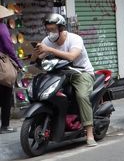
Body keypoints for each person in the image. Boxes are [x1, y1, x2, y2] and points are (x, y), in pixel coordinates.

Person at [34, 13, 97, 146]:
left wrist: (49, 49)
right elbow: (39, 58)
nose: (50, 33)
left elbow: (72, 57)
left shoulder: (75, 39)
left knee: (81, 96)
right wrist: (37, 53)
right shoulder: (47, 41)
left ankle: (89, 133)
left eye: (53, 30)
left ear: (61, 29)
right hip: (59, 73)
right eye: (48, 30)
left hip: (81, 73)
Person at [0, 5, 22, 134]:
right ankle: (5, 126)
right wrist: (18, 62)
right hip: (2, 65)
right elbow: (9, 48)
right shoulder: (2, 28)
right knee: (6, 96)